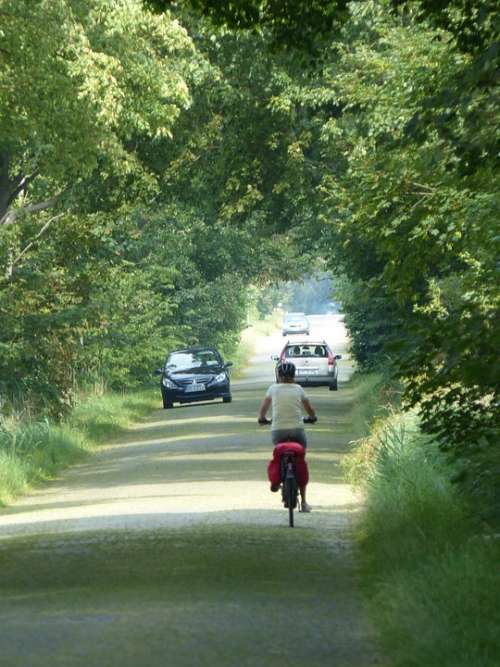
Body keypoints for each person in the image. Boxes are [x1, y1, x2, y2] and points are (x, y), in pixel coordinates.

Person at [258, 361, 317, 512]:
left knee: (278, 455)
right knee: (300, 460)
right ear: (294, 375)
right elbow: (309, 408)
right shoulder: (298, 389)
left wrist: (262, 419)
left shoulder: (273, 389)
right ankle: (303, 503)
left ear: (278, 375)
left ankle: (276, 480)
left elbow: (264, 408)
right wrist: (312, 417)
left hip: (278, 431)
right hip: (297, 430)